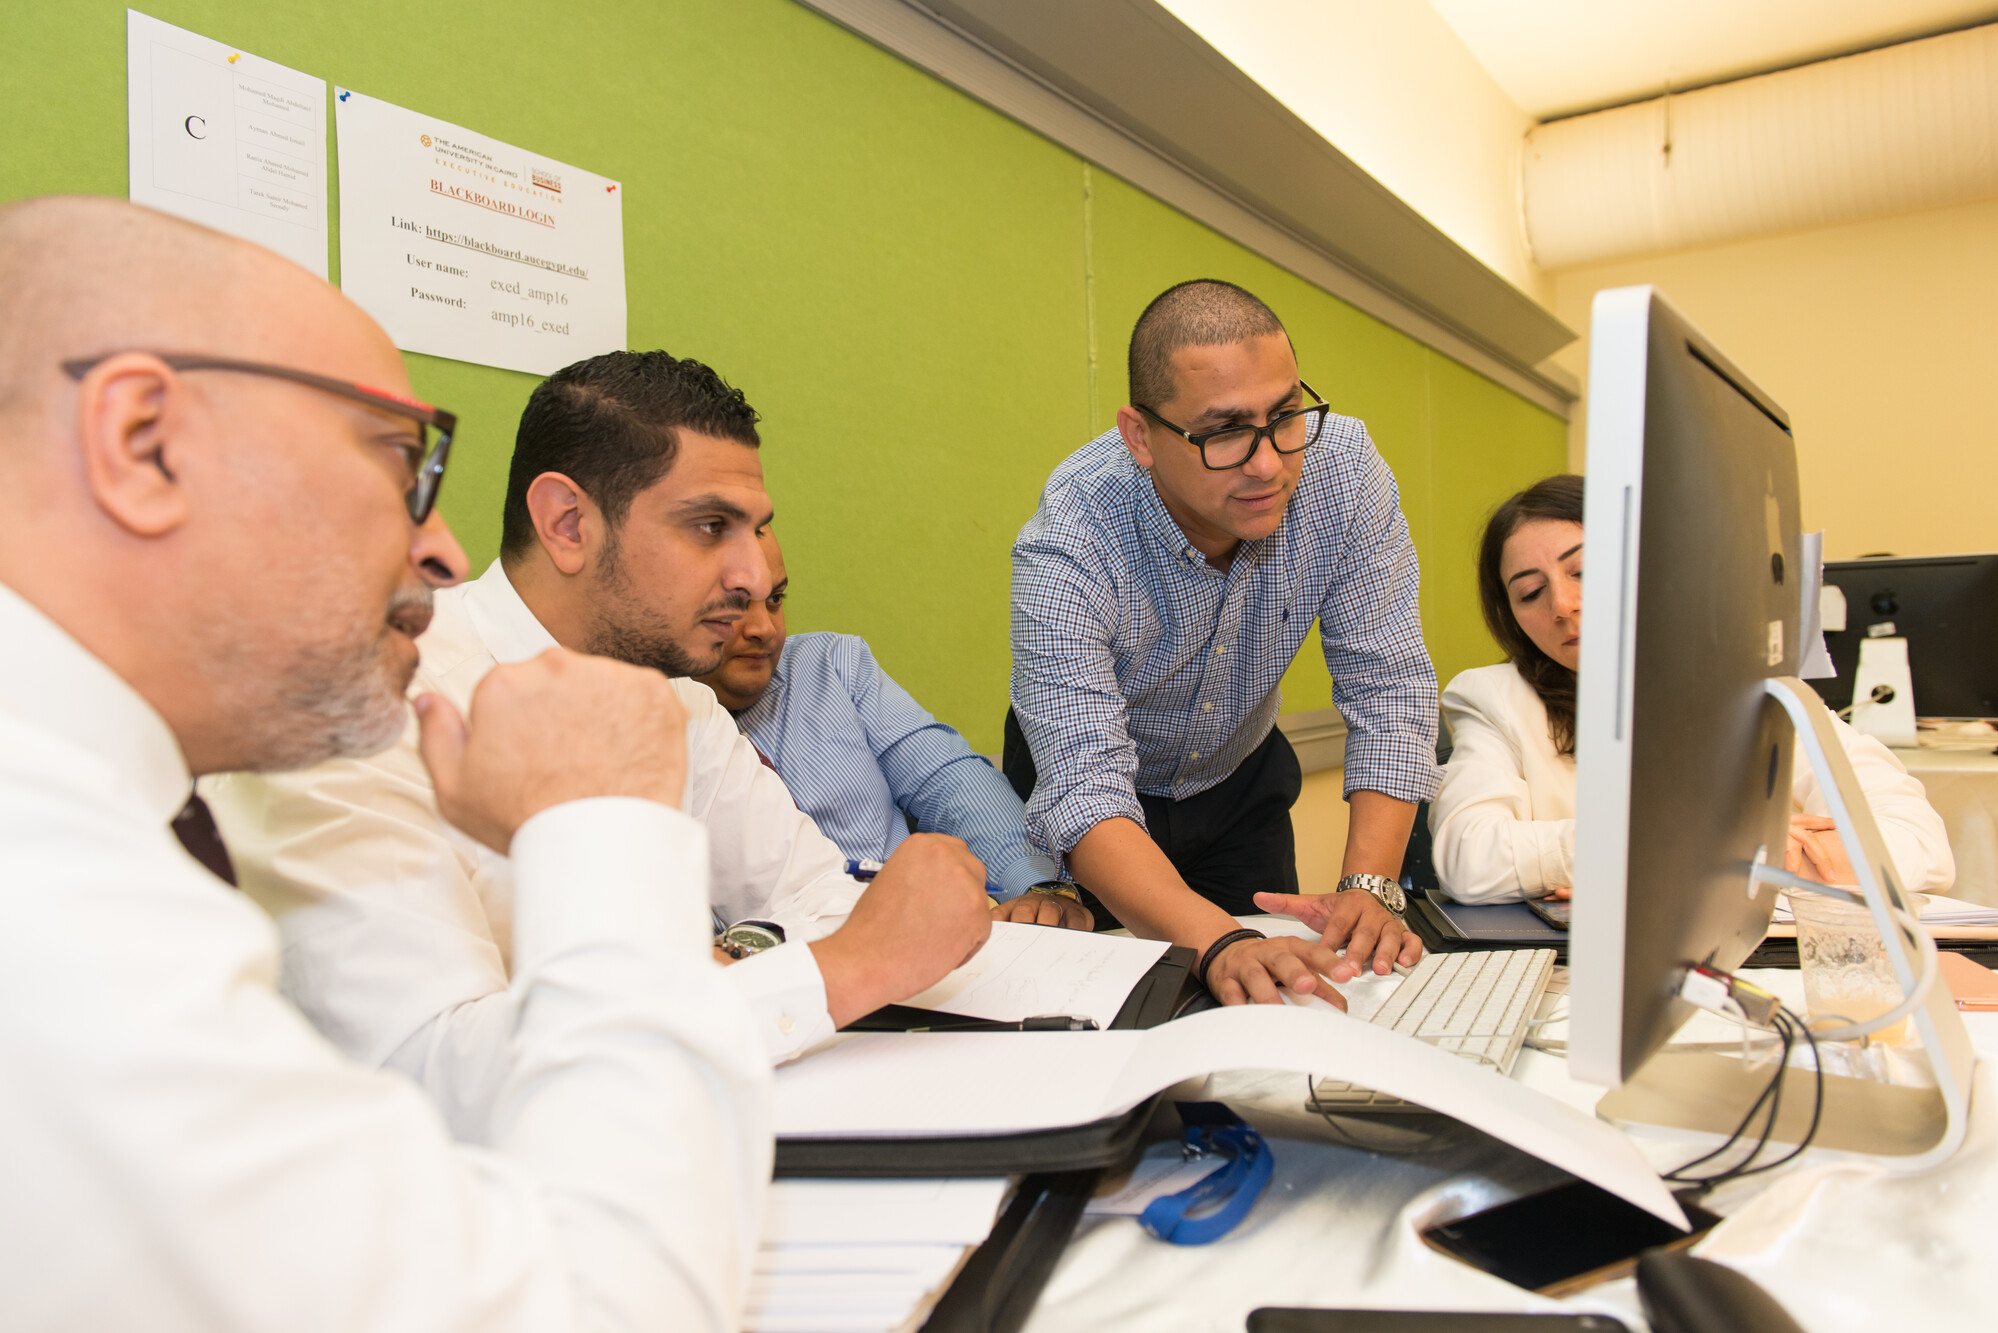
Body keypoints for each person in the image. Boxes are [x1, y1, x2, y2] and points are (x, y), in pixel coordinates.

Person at [0, 195, 788, 1328]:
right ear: (144, 443)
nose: (443, 544)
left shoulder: (98, 827)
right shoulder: (43, 897)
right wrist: (601, 827)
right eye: (399, 462)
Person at [205, 351, 993, 1136]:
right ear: (569, 524)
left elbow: (814, 894)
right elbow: (426, 1071)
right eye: (710, 526)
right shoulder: (376, 702)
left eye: (757, 530)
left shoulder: (675, 691)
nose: (754, 575)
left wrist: (731, 975)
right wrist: (837, 973)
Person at [1010, 278, 1436, 1006]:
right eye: (1224, 431)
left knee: (1269, 1005)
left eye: (1286, 415)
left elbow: (1388, 684)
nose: (1268, 462)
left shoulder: (1347, 472)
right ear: (1141, 436)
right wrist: (1220, 942)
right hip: (1103, 816)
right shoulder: (1072, 534)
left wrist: (1370, 886)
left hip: (1239, 785)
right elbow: (1084, 786)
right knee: (1117, 1018)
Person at [1431, 473, 1955, 903]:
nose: (1562, 604)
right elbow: (1468, 860)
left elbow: (1919, 845)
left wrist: (1646, 866)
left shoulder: (1755, 689)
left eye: (1584, 571)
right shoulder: (1493, 697)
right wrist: (1699, 850)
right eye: (1530, 592)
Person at [696, 534, 1094, 929]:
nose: (764, 628)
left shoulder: (833, 667)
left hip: (918, 937)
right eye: (736, 605)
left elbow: (949, 778)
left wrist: (1037, 887)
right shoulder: (652, 728)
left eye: (775, 600)